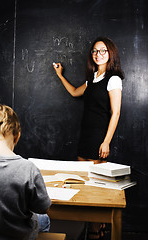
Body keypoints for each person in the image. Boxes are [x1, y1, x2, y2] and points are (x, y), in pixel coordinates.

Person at [53, 36, 124, 239]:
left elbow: (116, 113)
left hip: (99, 139)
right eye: (94, 51)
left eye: (102, 51)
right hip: (85, 136)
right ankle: (94, 229)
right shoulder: (93, 78)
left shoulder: (114, 79)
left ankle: (96, 231)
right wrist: (60, 75)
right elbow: (75, 92)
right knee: (83, 185)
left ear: (110, 54)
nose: (98, 54)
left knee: (96, 189)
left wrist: (106, 141)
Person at [0, 104, 51, 240]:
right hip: (18, 236)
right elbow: (43, 208)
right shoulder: (28, 169)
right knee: (44, 219)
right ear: (17, 137)